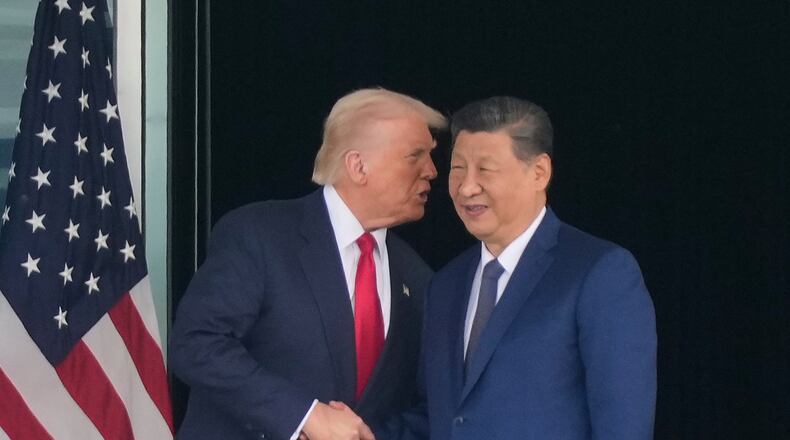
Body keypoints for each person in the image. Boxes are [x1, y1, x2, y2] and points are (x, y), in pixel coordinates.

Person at [170, 88, 446, 440]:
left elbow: (425, 404)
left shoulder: (418, 276)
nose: (432, 171)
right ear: (358, 165)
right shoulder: (259, 234)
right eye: (415, 155)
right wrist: (303, 416)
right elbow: (195, 343)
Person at [379, 96, 656, 439]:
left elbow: (623, 426)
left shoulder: (599, 273)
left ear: (539, 173)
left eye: (485, 169)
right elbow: (439, 417)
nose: (467, 187)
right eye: (458, 168)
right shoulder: (445, 285)